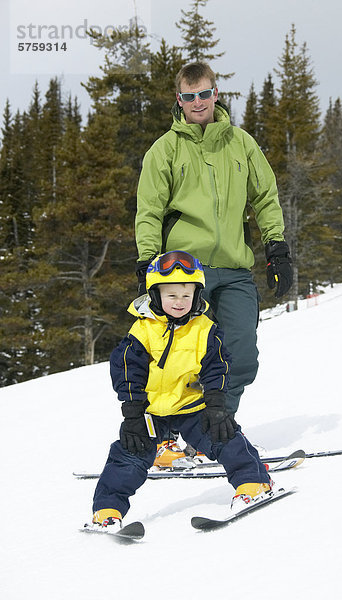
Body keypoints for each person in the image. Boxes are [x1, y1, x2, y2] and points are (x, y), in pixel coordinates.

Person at [135, 62, 293, 421]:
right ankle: (171, 434)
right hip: (185, 271)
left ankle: (218, 427)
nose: (198, 102)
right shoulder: (165, 150)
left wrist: (276, 248)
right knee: (184, 357)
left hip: (235, 269)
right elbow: (149, 211)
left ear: (215, 94)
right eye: (190, 97)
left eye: (204, 94)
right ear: (179, 100)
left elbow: (265, 197)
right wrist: (147, 260)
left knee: (240, 354)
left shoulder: (241, 144)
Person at [87, 251, 272, 532]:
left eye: (186, 296)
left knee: (225, 436)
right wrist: (133, 412)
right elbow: (126, 371)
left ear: (197, 295)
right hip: (150, 411)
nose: (179, 303)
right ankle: (107, 510)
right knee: (129, 454)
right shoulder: (142, 330)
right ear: (155, 295)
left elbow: (217, 366)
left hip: (192, 406)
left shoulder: (205, 329)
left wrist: (217, 404)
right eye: (171, 296)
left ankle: (253, 482)